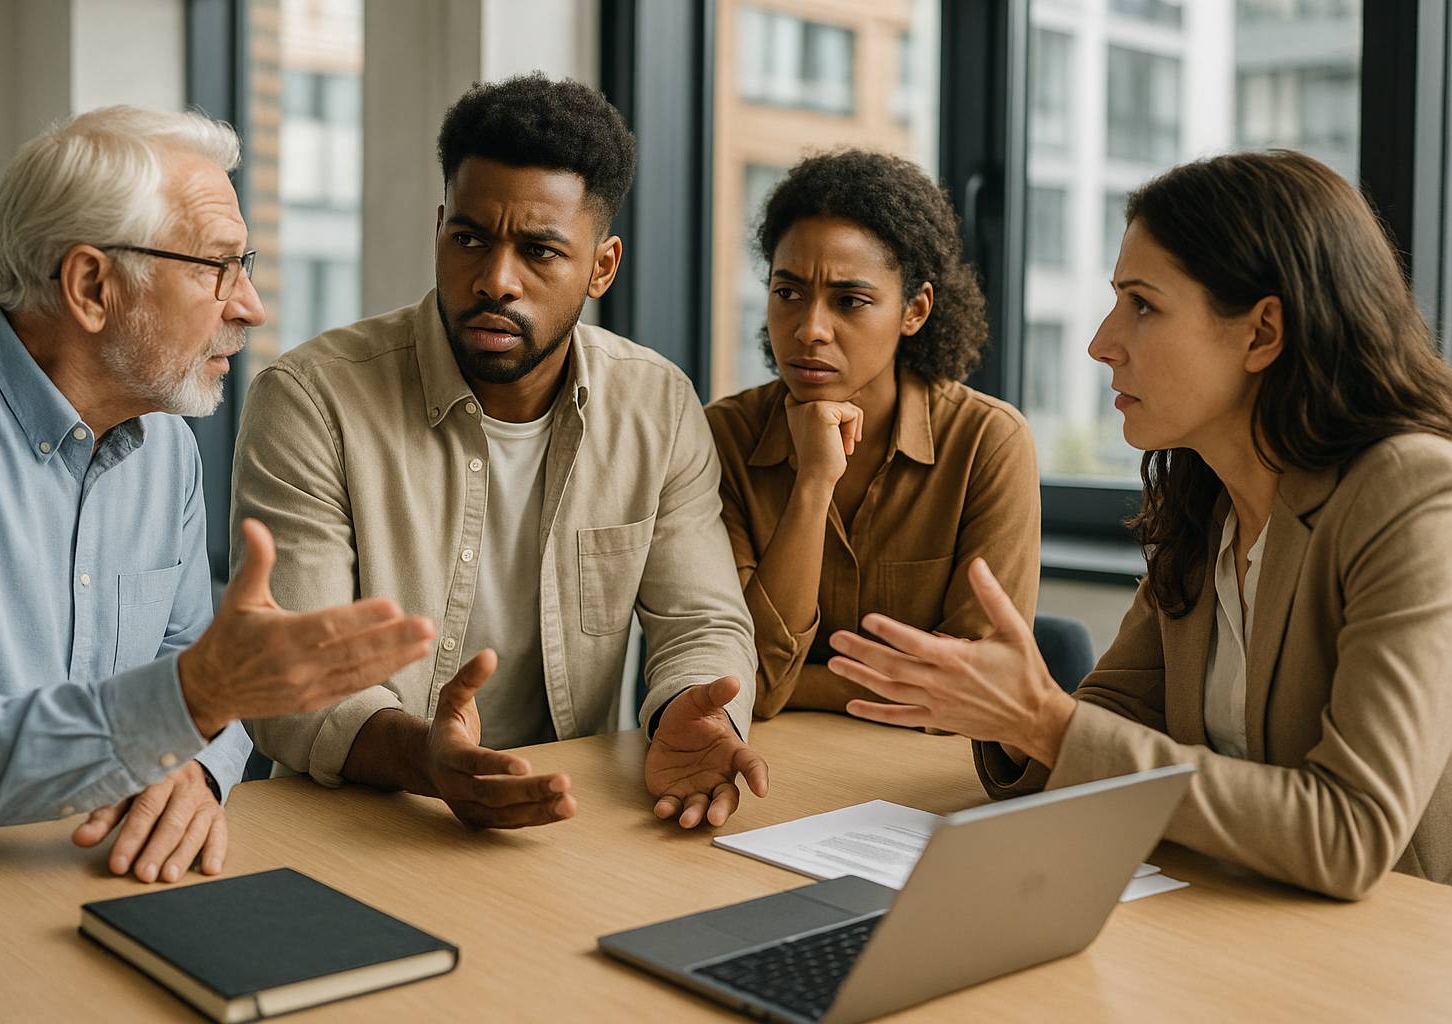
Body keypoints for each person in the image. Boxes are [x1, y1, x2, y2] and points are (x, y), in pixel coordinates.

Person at [825, 150, 1452, 899]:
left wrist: (1046, 722)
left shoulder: (1412, 494)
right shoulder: (1209, 498)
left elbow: (1349, 833)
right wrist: (1005, 709)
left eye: (1142, 304)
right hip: (1222, 917)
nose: (1100, 341)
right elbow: (1117, 713)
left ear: (1261, 334)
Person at [0, 106, 437, 883]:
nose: (251, 305)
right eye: (216, 266)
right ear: (92, 285)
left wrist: (193, 771)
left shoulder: (164, 443)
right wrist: (192, 702)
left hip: (99, 881)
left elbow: (201, 677)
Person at [233, 74, 768, 831]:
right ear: (440, 227)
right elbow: (288, 676)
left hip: (564, 814)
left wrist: (694, 712)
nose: (494, 280)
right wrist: (427, 758)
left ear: (602, 266)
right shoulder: (312, 399)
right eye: (470, 239)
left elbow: (703, 621)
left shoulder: (657, 405)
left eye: (540, 251)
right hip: (352, 819)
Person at [706, 150, 1039, 720]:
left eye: (850, 301)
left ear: (914, 309)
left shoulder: (987, 442)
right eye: (787, 293)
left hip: (922, 782)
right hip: (771, 770)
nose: (809, 329)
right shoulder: (724, 438)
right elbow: (746, 679)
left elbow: (977, 689)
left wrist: (795, 686)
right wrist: (813, 483)